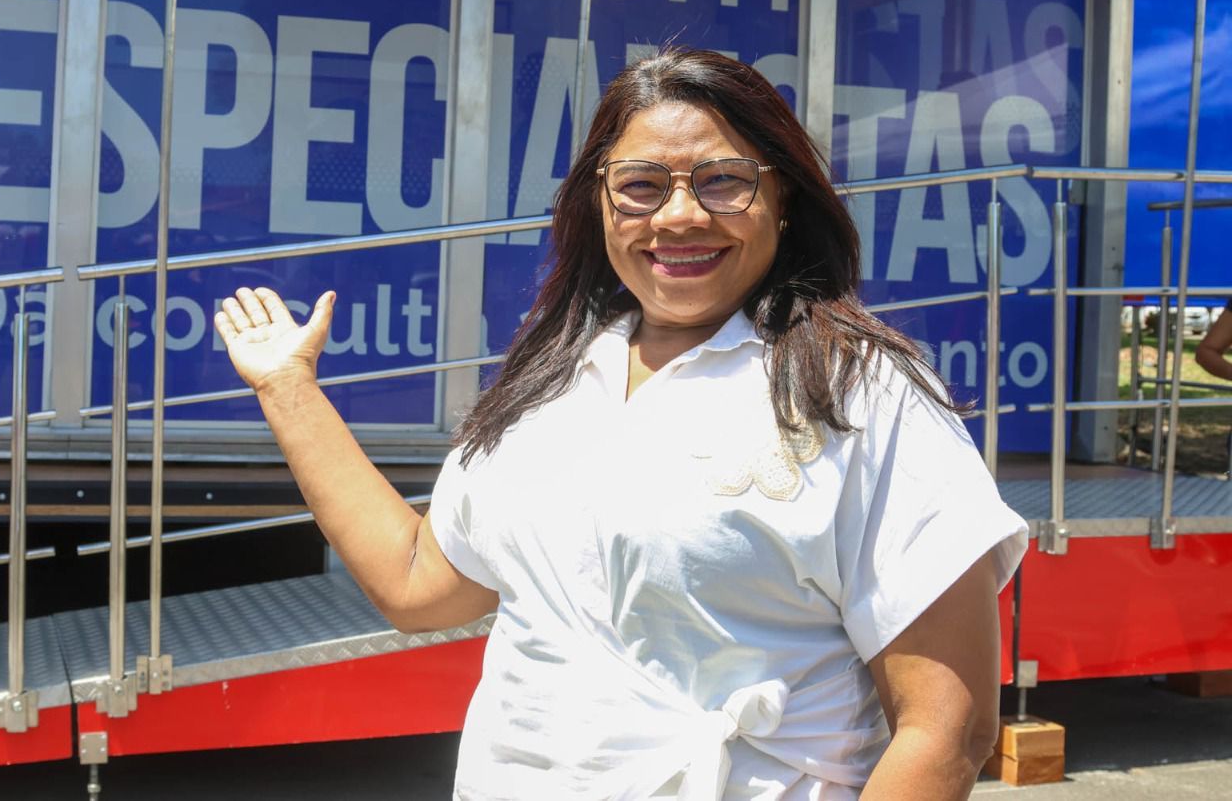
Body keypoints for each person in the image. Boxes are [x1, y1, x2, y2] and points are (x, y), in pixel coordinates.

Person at [214, 48, 1028, 800]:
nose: (678, 217)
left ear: (782, 198)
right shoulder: (553, 381)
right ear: (599, 205)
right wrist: (290, 390)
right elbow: (419, 584)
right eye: (641, 185)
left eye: (722, 182)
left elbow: (946, 730)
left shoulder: (860, 390)